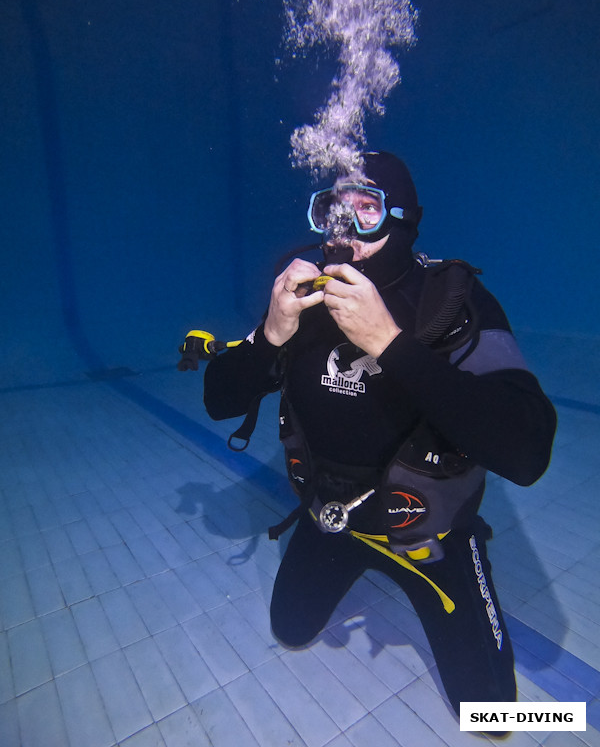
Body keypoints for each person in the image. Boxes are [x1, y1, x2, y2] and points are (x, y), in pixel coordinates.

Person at [201, 150, 557, 717]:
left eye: (365, 211)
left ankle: (455, 560)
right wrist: (270, 334)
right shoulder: (303, 298)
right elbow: (218, 400)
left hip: (429, 535)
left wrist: (390, 343)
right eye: (332, 211)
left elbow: (528, 449)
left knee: (491, 713)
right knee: (289, 629)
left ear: (403, 221)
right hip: (331, 515)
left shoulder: (450, 302)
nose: (344, 235)